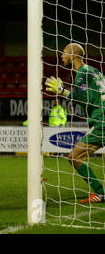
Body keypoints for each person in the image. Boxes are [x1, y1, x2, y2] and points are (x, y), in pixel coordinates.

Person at [45, 43, 105, 203]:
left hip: (101, 120)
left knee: (74, 156)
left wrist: (63, 92)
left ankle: (100, 193)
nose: (62, 56)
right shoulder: (94, 71)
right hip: (101, 117)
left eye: (64, 53)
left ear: (73, 55)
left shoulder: (81, 74)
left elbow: (85, 100)